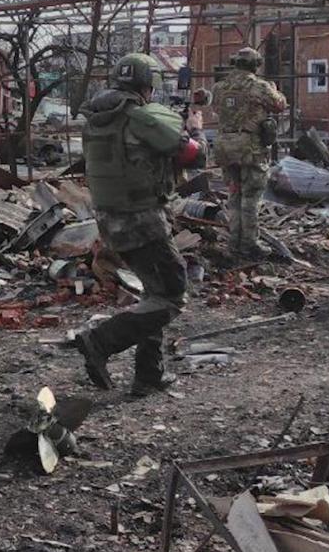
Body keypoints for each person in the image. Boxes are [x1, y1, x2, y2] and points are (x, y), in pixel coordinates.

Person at [74, 53, 205, 396]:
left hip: (109, 220)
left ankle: (148, 375)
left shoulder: (96, 119)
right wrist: (195, 129)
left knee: (154, 293)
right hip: (143, 220)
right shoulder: (141, 118)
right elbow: (195, 155)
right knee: (173, 295)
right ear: (147, 86)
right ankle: (100, 341)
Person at [211, 47, 287, 259]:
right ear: (256, 65)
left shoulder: (219, 87)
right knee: (251, 197)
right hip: (249, 148)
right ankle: (249, 244)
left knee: (234, 194)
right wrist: (274, 89)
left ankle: (234, 242)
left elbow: (218, 109)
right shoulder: (259, 86)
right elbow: (280, 105)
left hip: (225, 147)